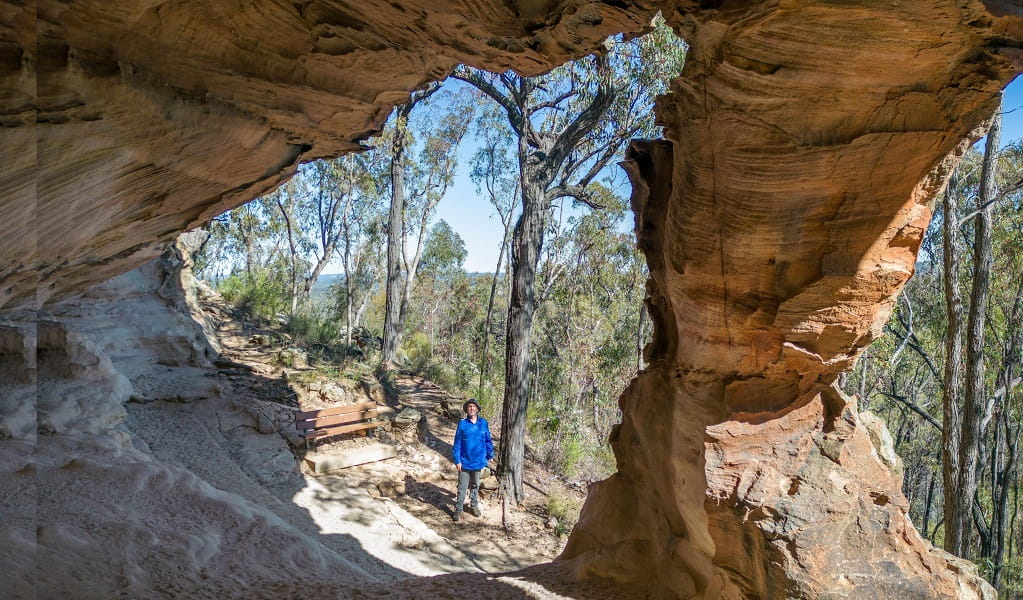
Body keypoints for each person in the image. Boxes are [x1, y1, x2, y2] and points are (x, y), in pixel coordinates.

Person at [451, 399, 493, 521]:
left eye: (474, 406)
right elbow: (457, 443)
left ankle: (474, 506)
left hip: (478, 461)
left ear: (477, 409)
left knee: (475, 485)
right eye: (469, 406)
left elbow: (487, 440)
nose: (472, 408)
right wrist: (457, 460)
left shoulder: (483, 423)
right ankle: (458, 510)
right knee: (462, 487)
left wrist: (490, 455)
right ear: (466, 409)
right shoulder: (462, 424)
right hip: (465, 462)